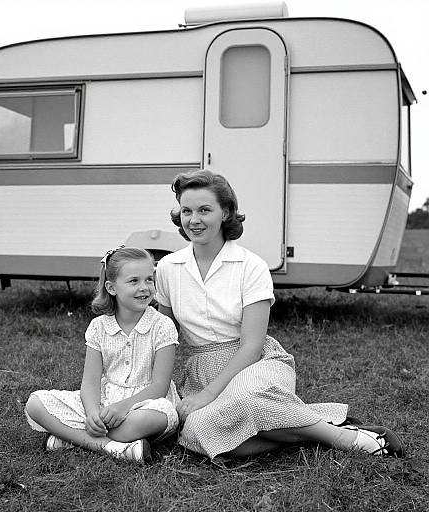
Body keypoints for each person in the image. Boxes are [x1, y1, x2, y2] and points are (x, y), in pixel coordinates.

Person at [155, 169, 405, 460]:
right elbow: (166, 336)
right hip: (200, 371)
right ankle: (307, 428)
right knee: (196, 431)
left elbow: (251, 345)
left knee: (247, 399)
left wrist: (208, 396)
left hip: (255, 363)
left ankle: (345, 439)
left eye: (204, 210)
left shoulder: (251, 266)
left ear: (225, 213)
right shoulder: (168, 268)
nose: (194, 220)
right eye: (186, 210)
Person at [25, 247, 180, 463]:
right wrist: (92, 414)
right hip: (105, 400)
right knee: (35, 403)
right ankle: (113, 447)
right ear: (112, 287)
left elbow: (159, 388)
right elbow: (89, 382)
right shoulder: (99, 327)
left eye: (149, 280)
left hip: (146, 402)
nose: (144, 288)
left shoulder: (162, 326)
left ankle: (71, 438)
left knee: (155, 416)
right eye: (134, 281)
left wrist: (123, 407)